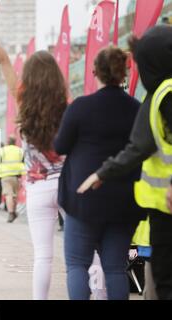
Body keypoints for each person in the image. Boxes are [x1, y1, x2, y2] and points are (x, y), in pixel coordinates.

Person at [78, 25, 172, 300]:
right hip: (160, 208)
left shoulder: (166, 95)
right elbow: (140, 147)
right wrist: (103, 173)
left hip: (167, 206)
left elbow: (138, 147)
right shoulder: (158, 96)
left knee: (166, 281)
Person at [0, 3, 67, 298]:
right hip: (67, 184)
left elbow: (3, 59)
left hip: (38, 189)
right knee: (87, 251)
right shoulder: (66, 102)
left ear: (29, 75)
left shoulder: (22, 98)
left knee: (43, 256)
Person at [54, 46, 146, 300]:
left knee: (77, 265)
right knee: (115, 267)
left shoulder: (81, 107)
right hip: (124, 199)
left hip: (84, 198)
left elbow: (60, 146)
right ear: (124, 73)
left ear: (95, 72)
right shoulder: (137, 109)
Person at [0, 136, 24, 223]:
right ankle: (14, 211)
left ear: (7, 142)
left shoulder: (2, 150)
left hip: (5, 175)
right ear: (15, 142)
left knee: (8, 195)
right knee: (14, 195)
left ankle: (11, 212)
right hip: (17, 175)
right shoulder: (20, 150)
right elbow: (24, 161)